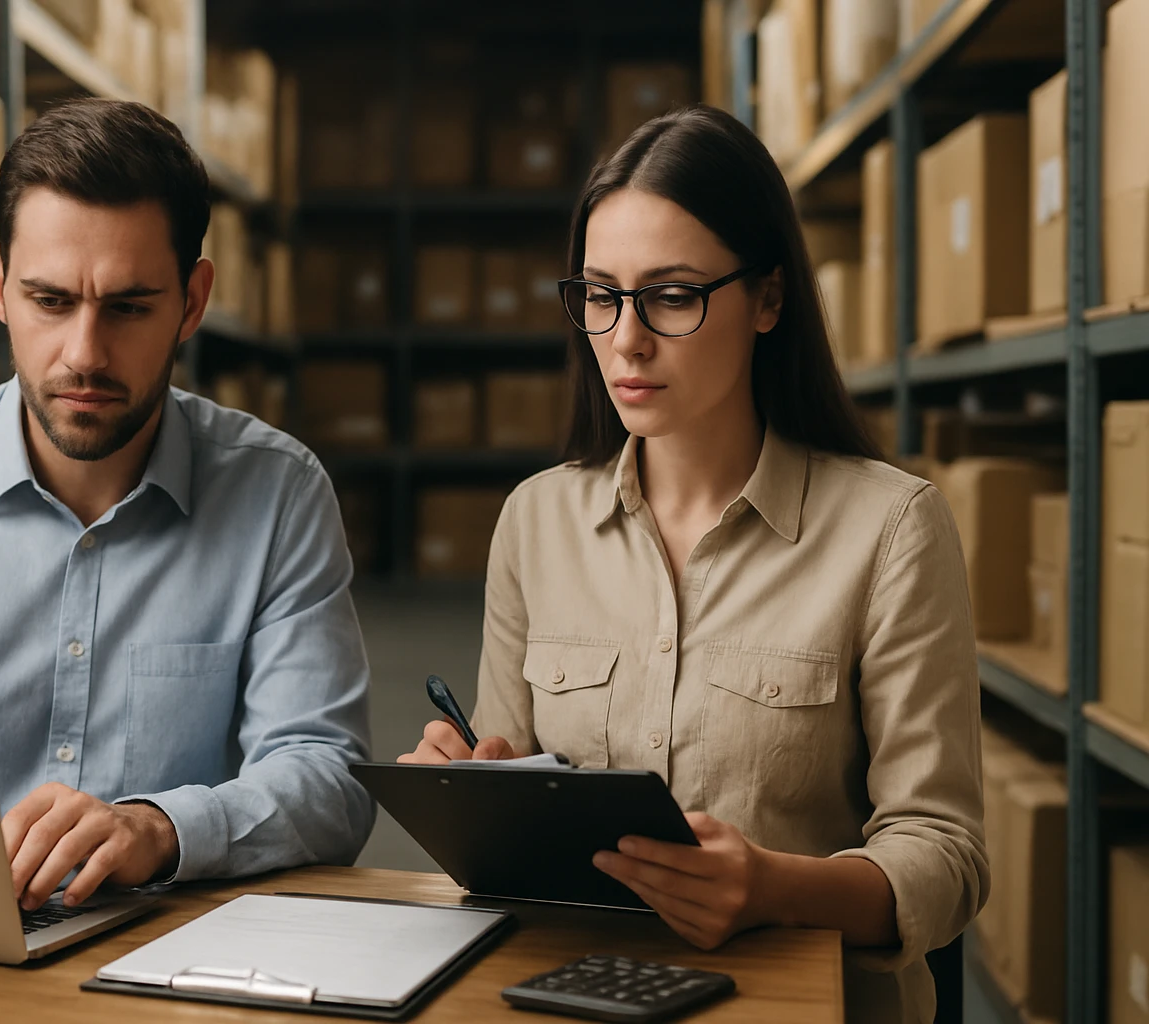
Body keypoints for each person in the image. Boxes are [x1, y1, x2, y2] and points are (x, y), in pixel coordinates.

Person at [400, 106, 985, 1024]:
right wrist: (474, 787)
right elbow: (512, 792)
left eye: (672, 296)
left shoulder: (892, 528)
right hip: (566, 994)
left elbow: (946, 857)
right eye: (601, 295)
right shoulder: (536, 521)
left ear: (768, 300)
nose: (625, 339)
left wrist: (775, 889)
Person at [0, 98, 375, 911]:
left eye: (128, 307)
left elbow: (329, 777)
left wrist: (159, 828)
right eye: (50, 302)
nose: (84, 354)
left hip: (163, 947)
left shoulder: (279, 495)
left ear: (192, 302)